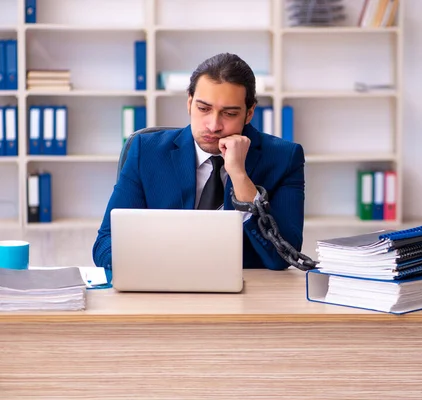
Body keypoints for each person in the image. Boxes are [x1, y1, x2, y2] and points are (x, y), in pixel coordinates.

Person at [92, 53, 305, 271]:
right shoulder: (146, 152)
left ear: (249, 113)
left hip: (245, 294)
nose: (213, 125)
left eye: (229, 113)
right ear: (190, 103)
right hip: (161, 287)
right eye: (203, 109)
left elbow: (283, 257)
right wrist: (157, 270)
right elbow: (105, 244)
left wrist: (240, 177)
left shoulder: (284, 159)